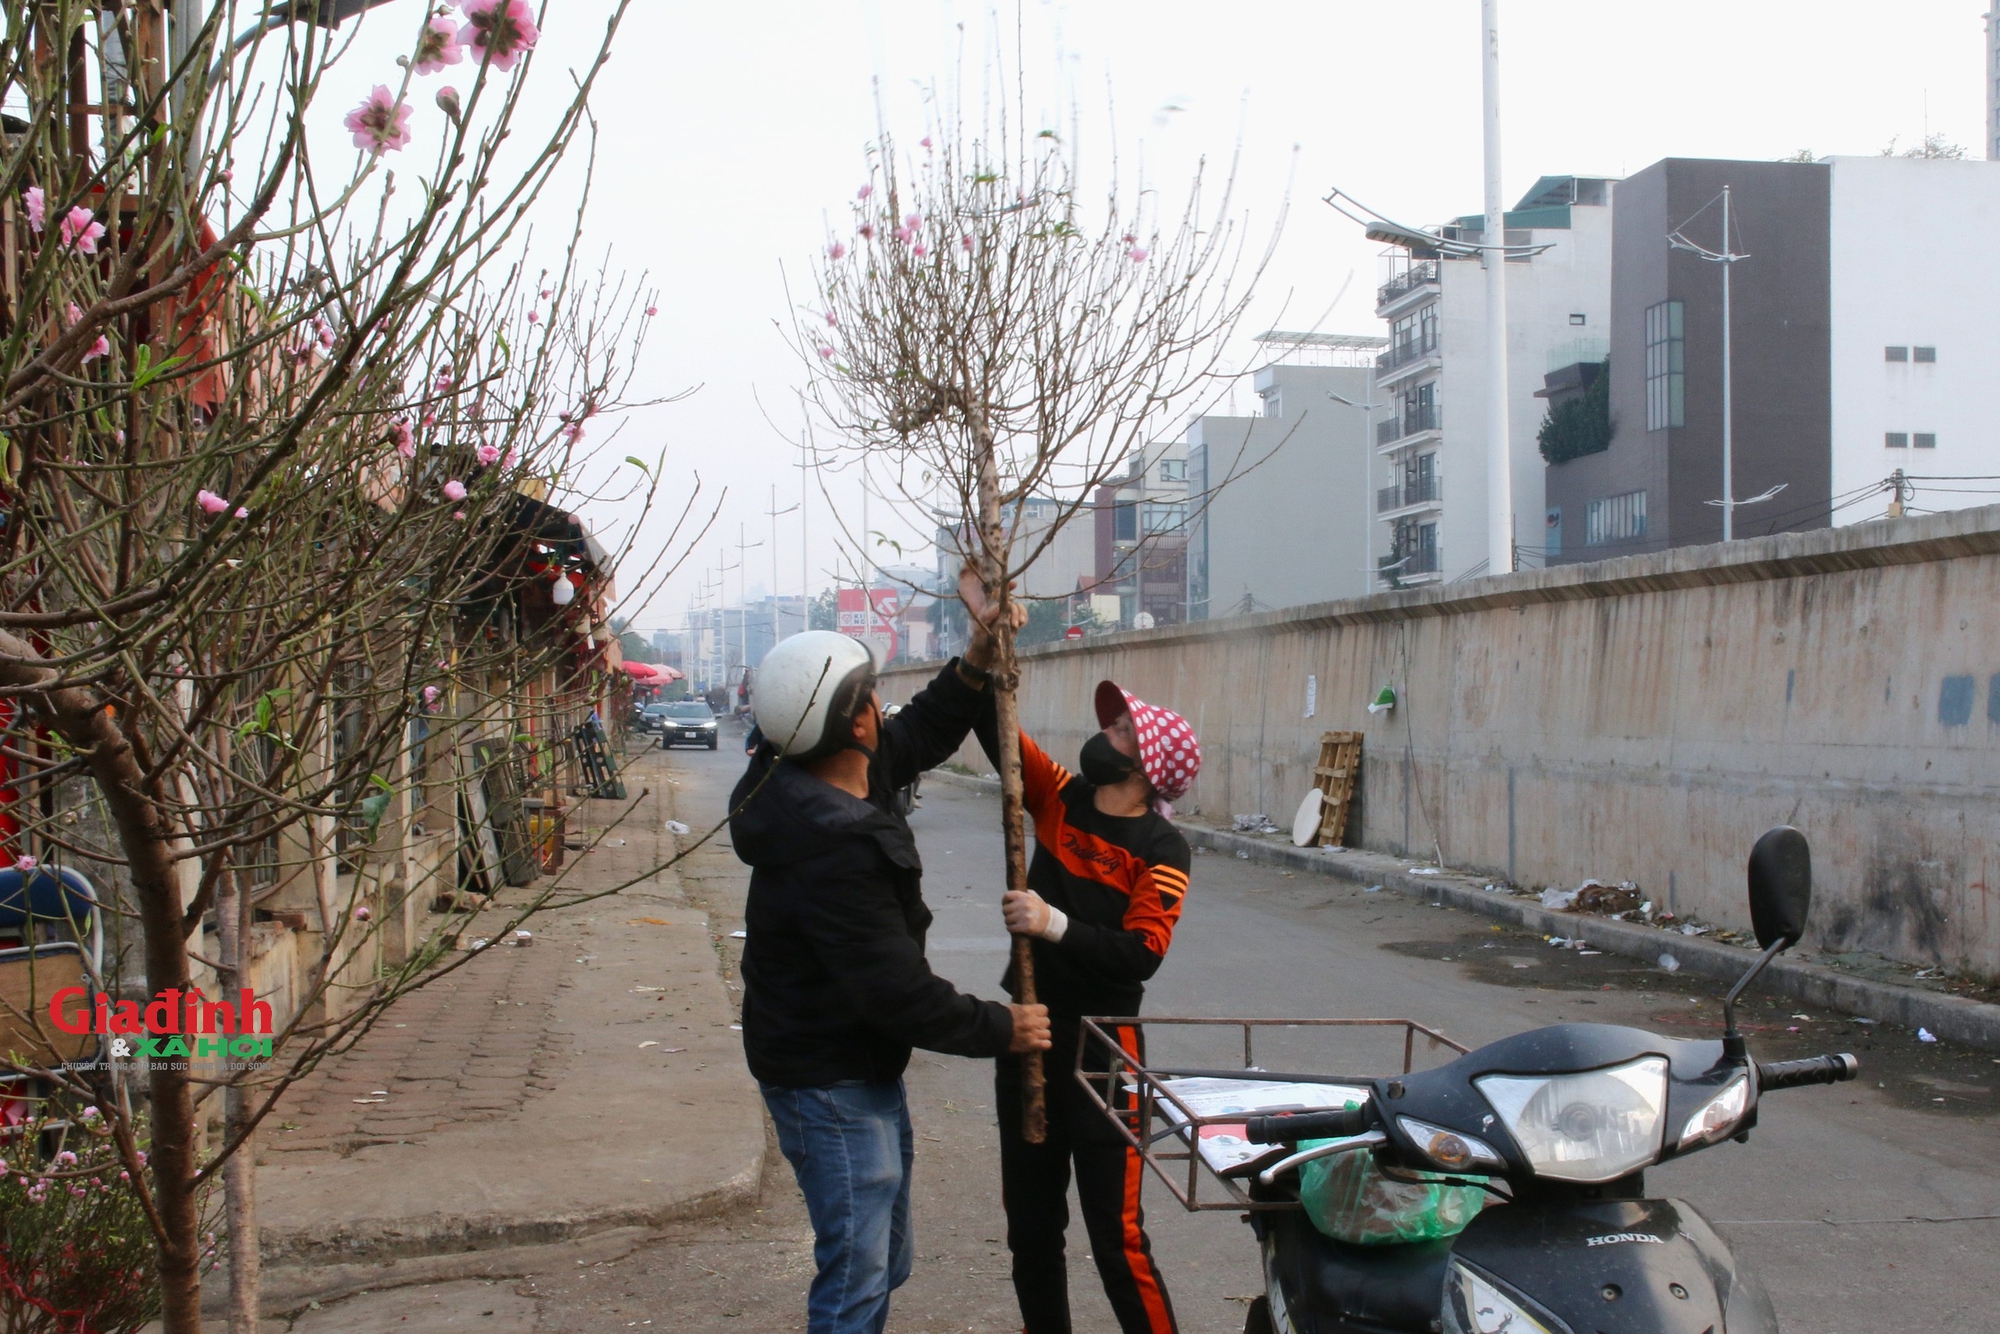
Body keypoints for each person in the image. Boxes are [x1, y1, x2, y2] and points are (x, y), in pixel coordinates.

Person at [731, 617, 1050, 1334]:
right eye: (872, 696)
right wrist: (1006, 1027)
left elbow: (924, 733)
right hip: (828, 1080)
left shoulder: (825, 774)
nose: (884, 707)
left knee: (882, 1259)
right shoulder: (831, 846)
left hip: (849, 1064)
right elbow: (896, 992)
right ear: (854, 725)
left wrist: (973, 660)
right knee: (858, 1276)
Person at [973, 663, 1202, 1334]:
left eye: (1124, 729)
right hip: (1027, 1032)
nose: (1108, 730)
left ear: (1147, 765)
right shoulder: (1059, 798)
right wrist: (989, 648)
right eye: (1113, 722)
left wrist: (1052, 923)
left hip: (1106, 1051)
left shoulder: (1163, 848)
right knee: (1032, 1230)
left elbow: (1142, 954)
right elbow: (1002, 736)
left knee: (1118, 1237)